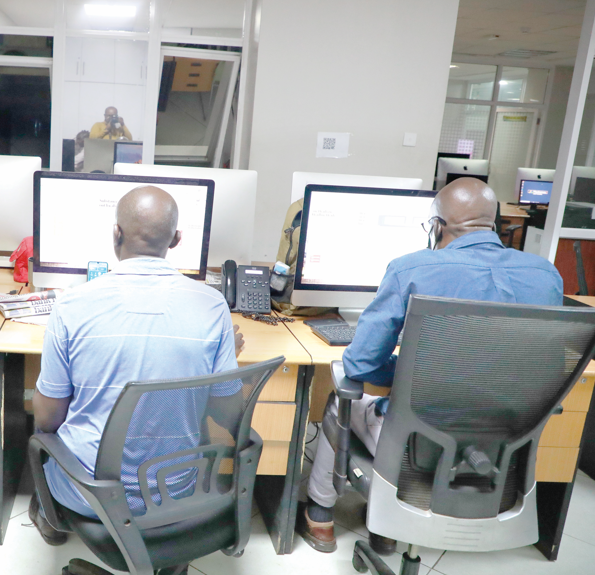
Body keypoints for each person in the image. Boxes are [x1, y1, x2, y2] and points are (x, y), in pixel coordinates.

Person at [297, 177, 563, 555]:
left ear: (437, 226)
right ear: (495, 222)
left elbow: (360, 363)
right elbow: (546, 370)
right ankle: (384, 528)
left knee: (341, 400)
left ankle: (321, 516)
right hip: (499, 450)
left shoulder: (411, 269)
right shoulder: (545, 276)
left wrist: (413, 373)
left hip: (418, 447)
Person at [29, 185, 244, 552]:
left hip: (92, 494)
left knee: (40, 435)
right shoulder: (212, 307)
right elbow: (228, 413)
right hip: (176, 491)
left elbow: (48, 419)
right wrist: (220, 361)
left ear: (116, 233)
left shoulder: (72, 305)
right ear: (176, 240)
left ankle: (50, 519)